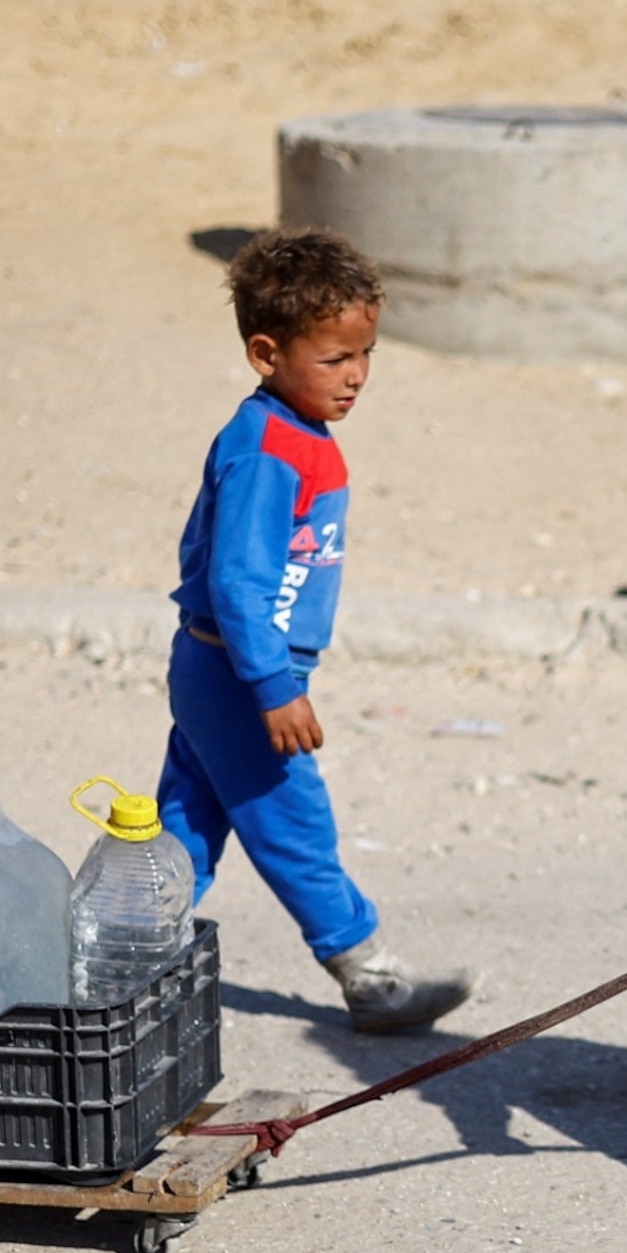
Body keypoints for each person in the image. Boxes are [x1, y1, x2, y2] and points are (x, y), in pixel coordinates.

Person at [159, 229, 472, 1034]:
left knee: (186, 823)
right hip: (237, 673)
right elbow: (237, 579)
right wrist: (273, 686)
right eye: (334, 359)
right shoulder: (266, 450)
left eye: (365, 353)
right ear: (267, 353)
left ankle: (119, 957)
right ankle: (367, 974)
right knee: (294, 824)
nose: (357, 375)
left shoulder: (296, 436)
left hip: (218, 667)